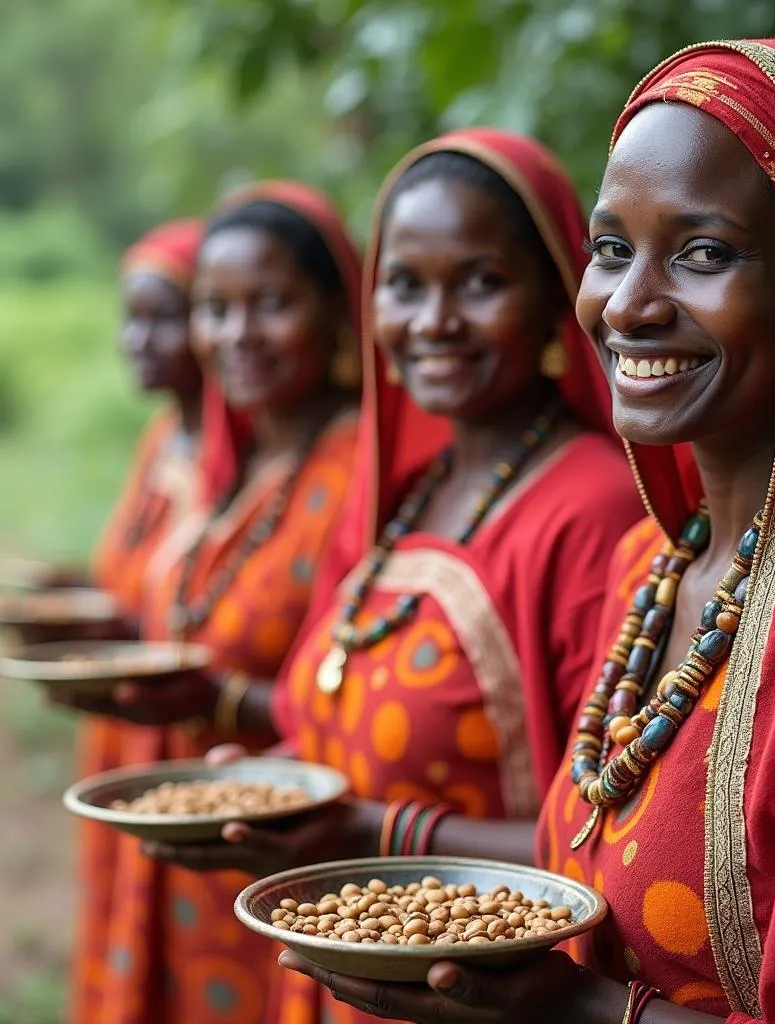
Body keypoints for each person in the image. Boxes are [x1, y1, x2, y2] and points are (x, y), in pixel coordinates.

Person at [279, 40, 775, 1024]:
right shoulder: (660, 565)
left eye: (704, 252)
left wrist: (584, 1012)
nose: (627, 305)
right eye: (613, 249)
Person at [148, 128, 645, 1024]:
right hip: (349, 971)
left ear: (558, 300)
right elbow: (326, 717)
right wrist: (273, 784)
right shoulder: (405, 496)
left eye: (481, 283)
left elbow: (605, 830)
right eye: (406, 285)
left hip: (489, 992)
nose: (433, 322)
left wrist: (371, 833)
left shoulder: (591, 509)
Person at [73, 182, 364, 1024]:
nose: (238, 335)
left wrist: (223, 699)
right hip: (180, 812)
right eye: (216, 308)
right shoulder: (236, 461)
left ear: (337, 312)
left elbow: (347, 696)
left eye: (271, 304)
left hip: (273, 847)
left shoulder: (362, 472)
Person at [68, 218, 206, 1021]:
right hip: (128, 733)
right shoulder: (163, 441)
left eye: (163, 316)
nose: (137, 339)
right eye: (131, 316)